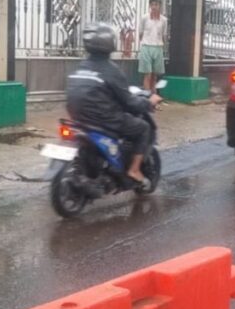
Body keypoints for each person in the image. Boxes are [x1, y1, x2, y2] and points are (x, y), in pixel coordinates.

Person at [66, 23, 163, 188]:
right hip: (105, 119)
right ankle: (134, 170)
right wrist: (148, 102)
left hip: (78, 118)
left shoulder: (82, 66)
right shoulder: (111, 70)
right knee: (143, 128)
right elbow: (129, 102)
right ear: (110, 43)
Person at [137, 0, 168, 92]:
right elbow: (140, 33)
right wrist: (144, 43)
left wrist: (163, 46)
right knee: (148, 74)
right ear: (149, 6)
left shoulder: (164, 20)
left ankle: (153, 96)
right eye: (152, 5)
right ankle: (147, 97)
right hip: (146, 47)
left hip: (158, 48)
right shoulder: (144, 18)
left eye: (156, 5)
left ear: (160, 6)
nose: (154, 7)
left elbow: (164, 35)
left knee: (154, 76)